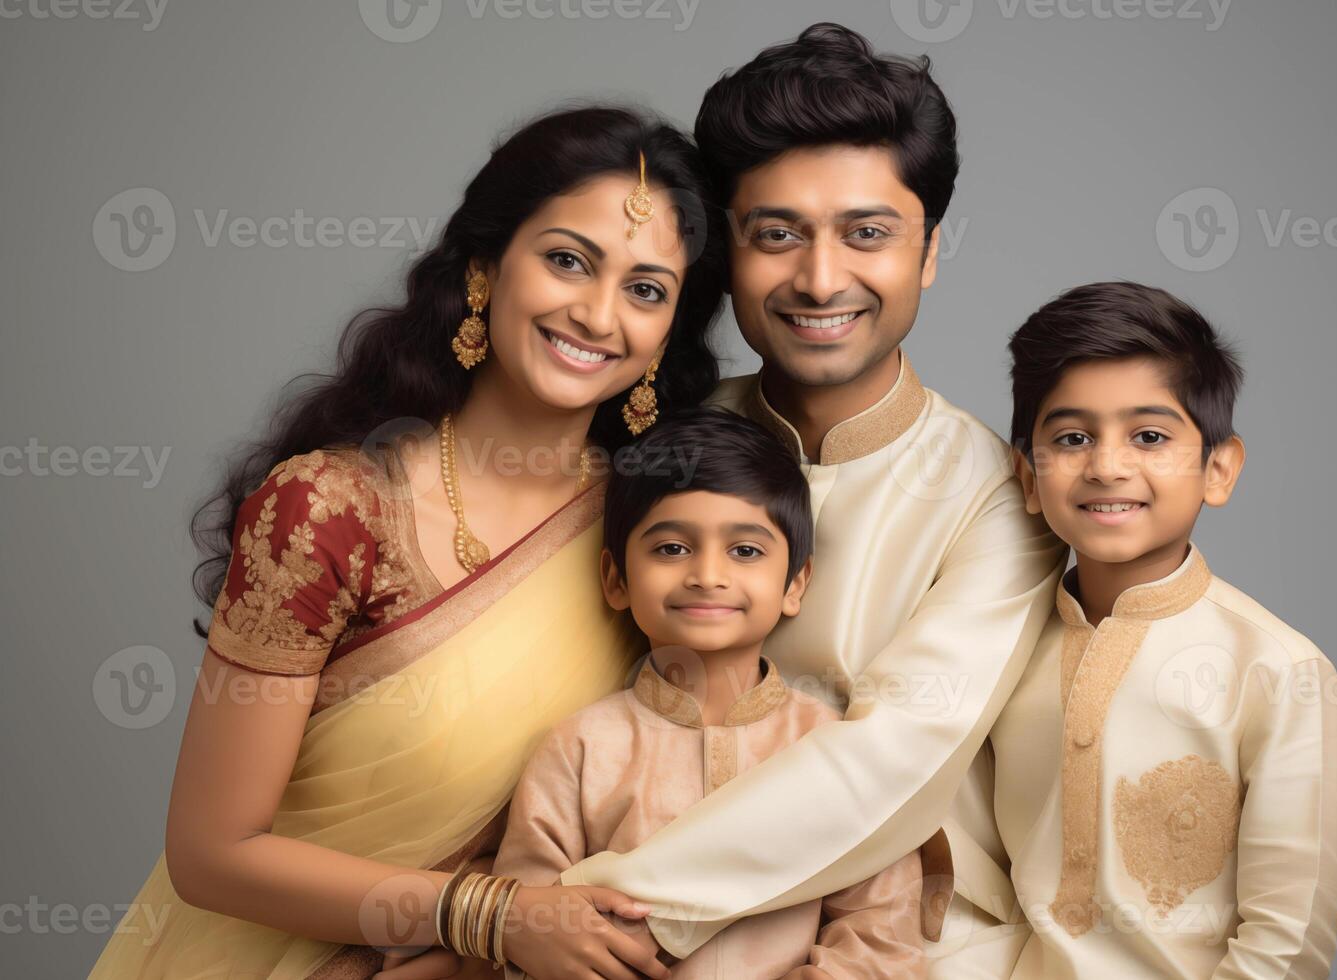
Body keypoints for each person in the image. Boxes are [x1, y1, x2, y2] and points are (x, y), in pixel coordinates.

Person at [87, 104, 724, 979]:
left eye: (647, 289)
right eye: (568, 261)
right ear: (483, 267)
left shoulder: (655, 538)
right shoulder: (330, 508)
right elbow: (212, 853)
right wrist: (487, 919)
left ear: (666, 336)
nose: (598, 314)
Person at [543, 24, 1070, 979]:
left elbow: (885, 769)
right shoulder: (657, 434)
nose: (821, 280)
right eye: (776, 235)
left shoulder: (999, 501)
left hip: (892, 940)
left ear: (929, 250)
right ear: (726, 254)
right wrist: (481, 914)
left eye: (867, 233)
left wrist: (569, 910)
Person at [990, 281, 1337, 978]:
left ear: (1217, 469)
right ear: (1028, 477)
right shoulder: (995, 650)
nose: (1106, 466)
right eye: (1071, 438)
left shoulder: (1281, 675)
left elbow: (1287, 945)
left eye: (1150, 436)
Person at [470, 407, 925, 979]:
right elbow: (534, 927)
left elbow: (881, 938)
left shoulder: (835, 750)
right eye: (671, 549)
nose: (707, 575)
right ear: (616, 580)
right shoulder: (577, 750)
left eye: (745, 551)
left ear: (795, 584)